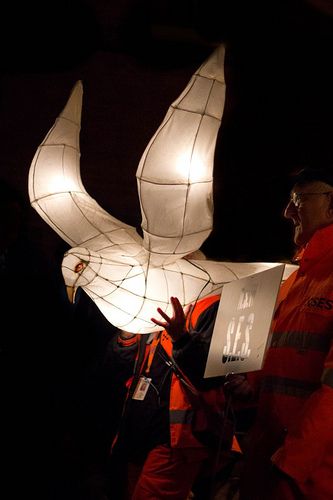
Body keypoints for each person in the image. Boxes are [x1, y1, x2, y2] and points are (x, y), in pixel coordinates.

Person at [227, 166, 333, 499]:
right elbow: (288, 360)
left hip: (309, 477)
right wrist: (252, 385)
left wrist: (292, 465)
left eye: (298, 200)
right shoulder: (295, 280)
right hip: (270, 459)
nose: (287, 212)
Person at [101, 294, 237, 500]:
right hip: (136, 428)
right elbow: (119, 366)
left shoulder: (213, 303)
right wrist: (127, 330)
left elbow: (210, 376)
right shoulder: (152, 294)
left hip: (175, 436)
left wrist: (181, 337)